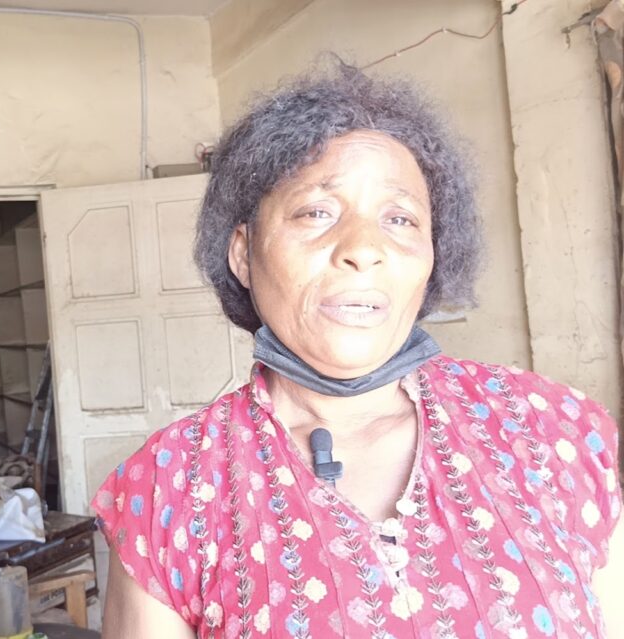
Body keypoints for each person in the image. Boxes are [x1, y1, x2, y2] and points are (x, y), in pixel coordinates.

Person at [94, 64, 622, 638]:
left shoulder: (555, 431)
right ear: (244, 254)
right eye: (317, 212)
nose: (364, 249)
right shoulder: (167, 485)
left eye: (399, 218)